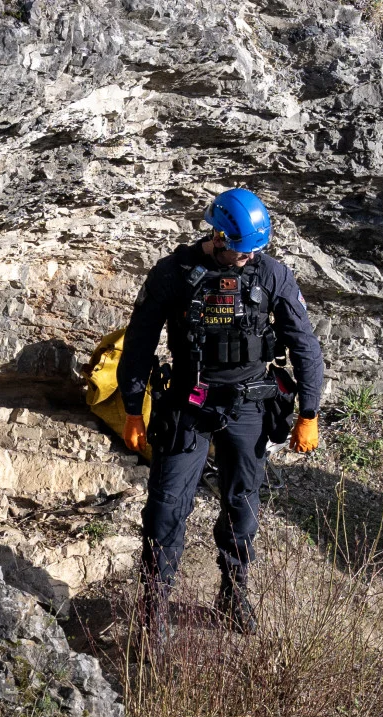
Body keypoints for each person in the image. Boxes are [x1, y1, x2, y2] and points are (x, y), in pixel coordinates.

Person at [116, 188, 324, 635]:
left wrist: (309, 411)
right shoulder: (173, 274)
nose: (249, 258)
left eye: (255, 251)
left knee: (242, 506)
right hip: (186, 406)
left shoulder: (273, 276)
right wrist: (132, 408)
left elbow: (305, 344)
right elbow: (138, 344)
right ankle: (154, 607)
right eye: (242, 250)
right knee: (166, 508)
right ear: (219, 236)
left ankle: (234, 594)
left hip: (249, 406)